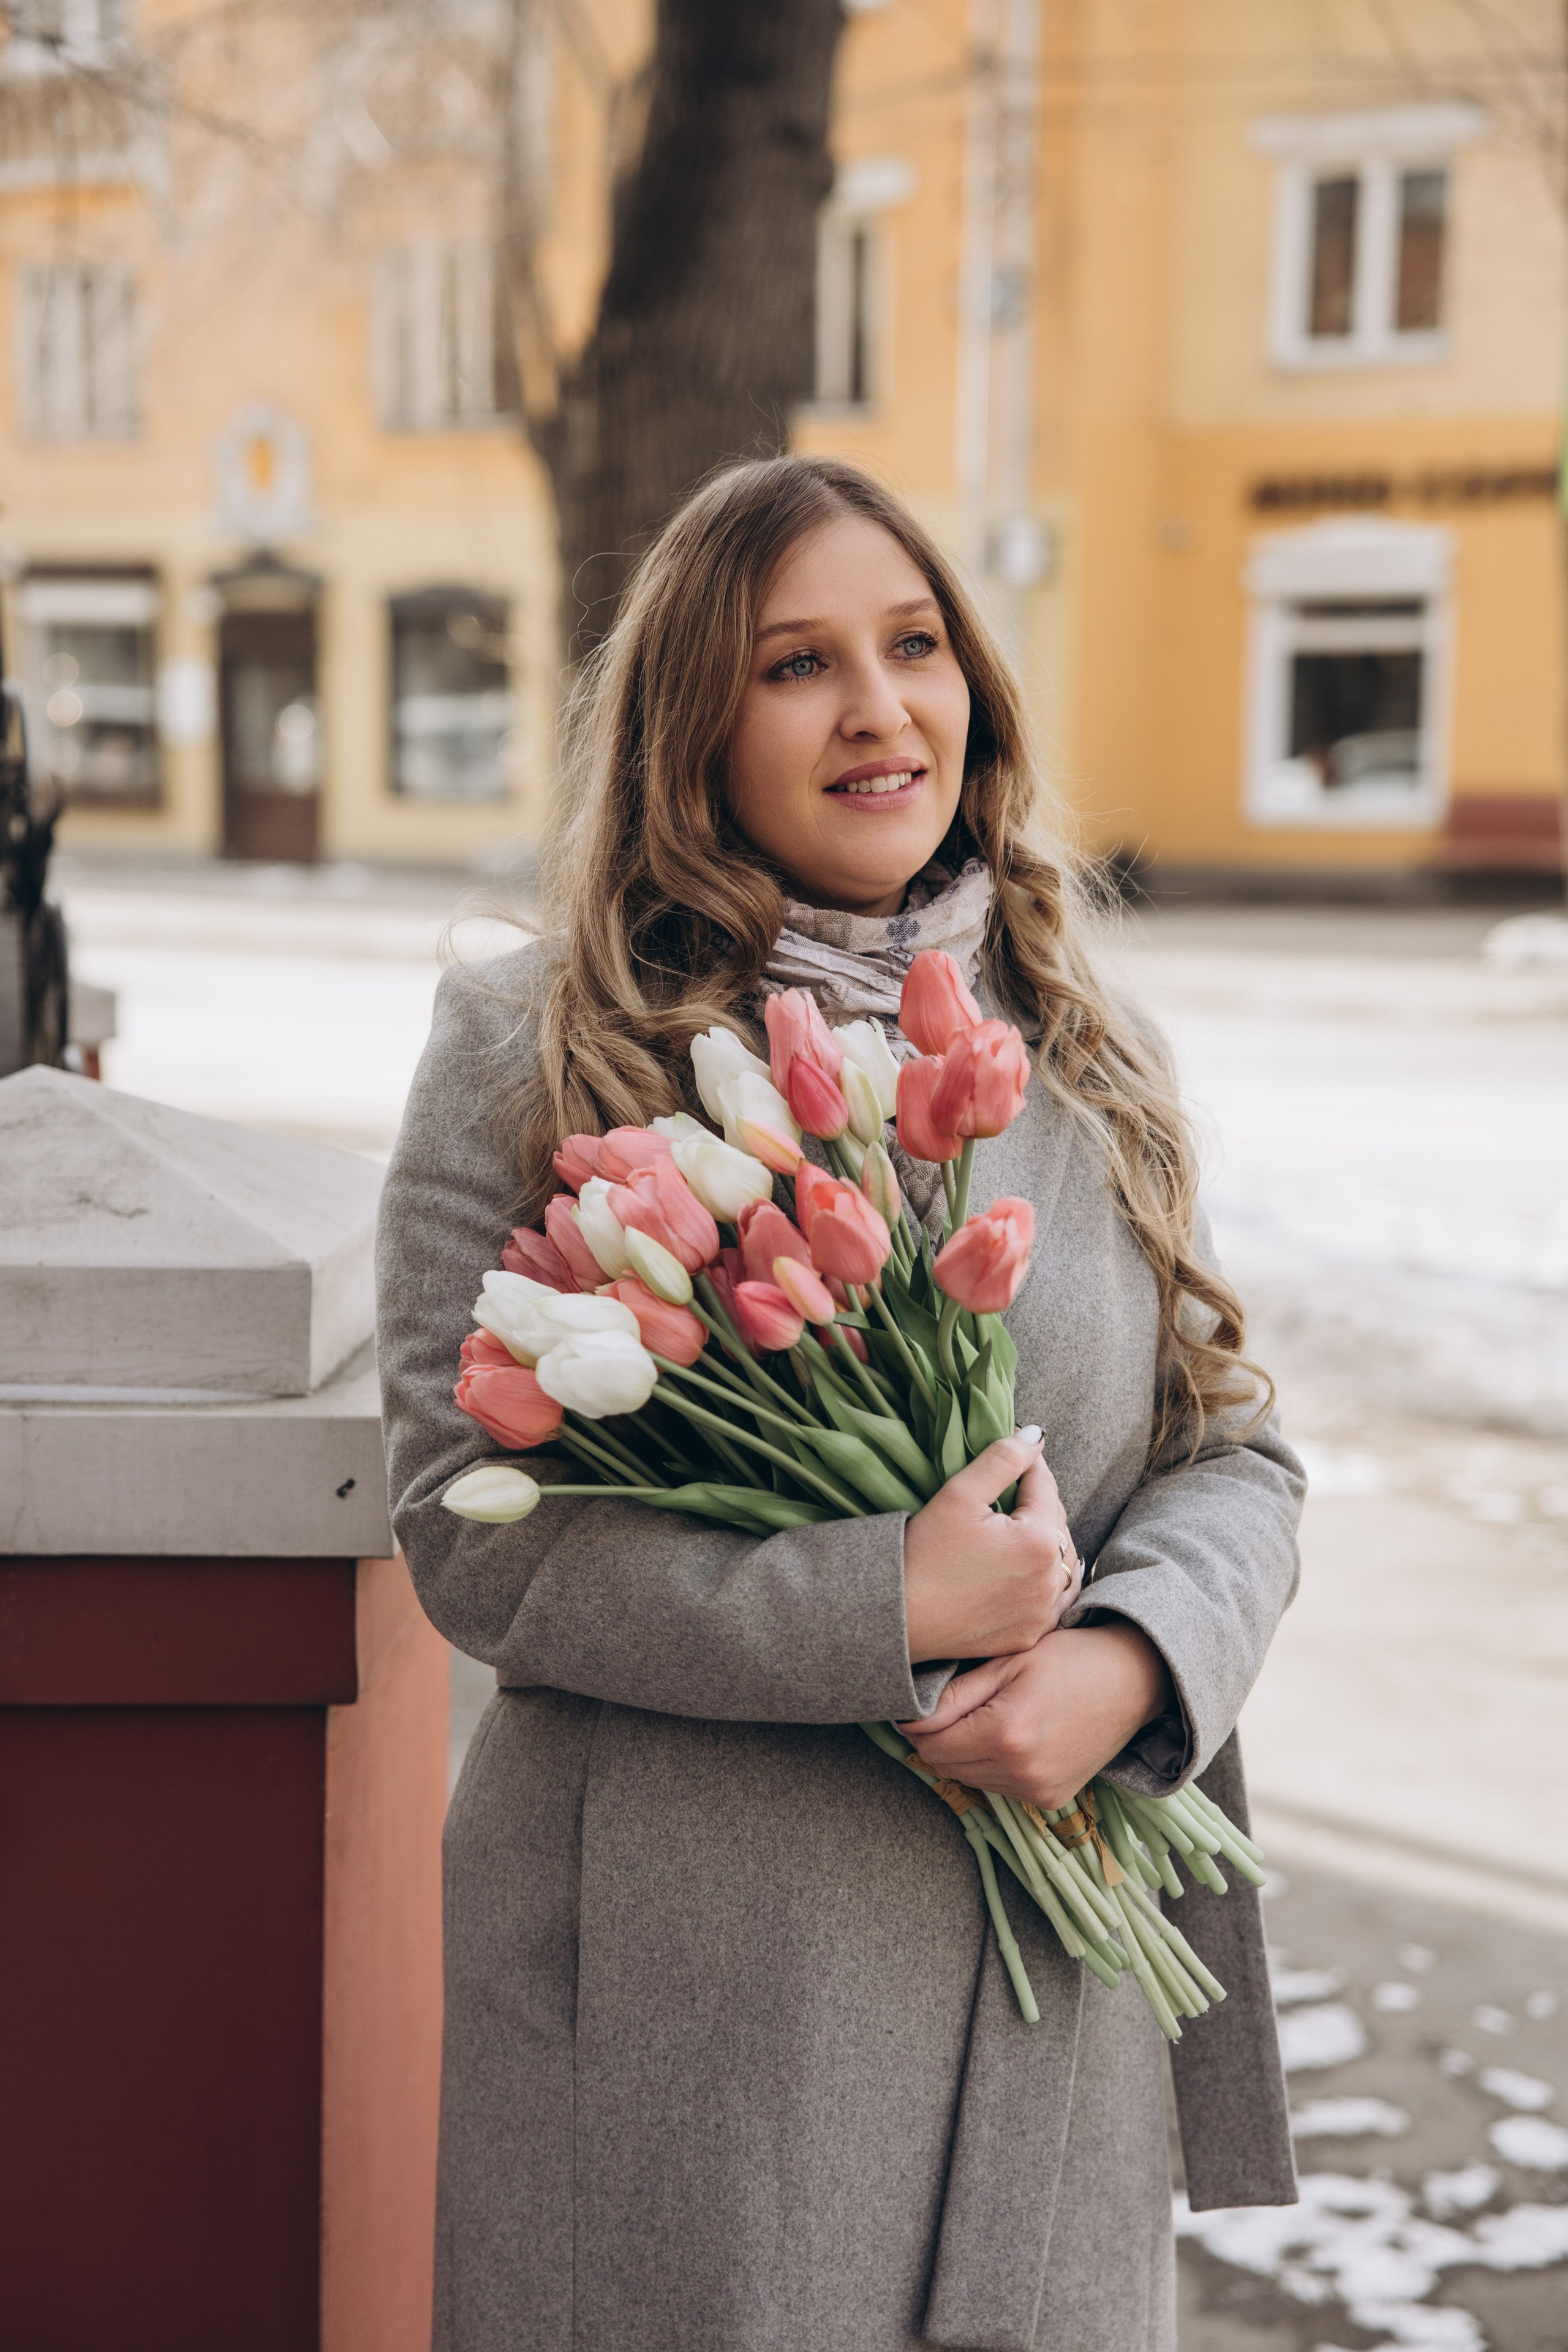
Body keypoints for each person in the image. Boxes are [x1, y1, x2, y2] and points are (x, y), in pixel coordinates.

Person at [375, 454, 1304, 2352]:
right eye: (798, 664)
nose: (884, 711)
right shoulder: (538, 1049)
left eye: (916, 645)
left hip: (1050, 1958)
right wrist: (881, 1605)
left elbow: (1232, 1448)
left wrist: (1129, 1661)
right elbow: (474, 1526)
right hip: (687, 1996)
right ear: (695, 725)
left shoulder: (1084, 1039)